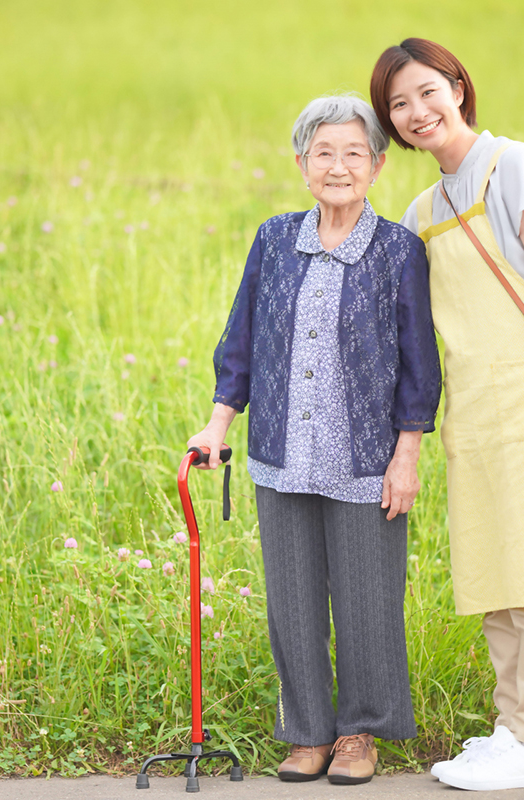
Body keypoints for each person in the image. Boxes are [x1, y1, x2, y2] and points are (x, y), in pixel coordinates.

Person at [369, 38, 524, 792]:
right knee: (497, 572)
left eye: (427, 92)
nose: (417, 113)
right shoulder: (422, 207)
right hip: (474, 408)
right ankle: (511, 727)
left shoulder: (517, 166)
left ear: (458, 86)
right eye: (398, 105)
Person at [187, 94, 441, 785]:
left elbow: (420, 363)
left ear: (378, 165)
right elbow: (240, 340)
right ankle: (307, 733)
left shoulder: (397, 251)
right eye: (323, 153)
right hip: (281, 456)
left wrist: (407, 456)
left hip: (364, 461)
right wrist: (218, 423)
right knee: (292, 604)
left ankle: (359, 735)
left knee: (366, 602)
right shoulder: (274, 239)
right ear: (302, 165)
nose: (338, 166)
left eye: (353, 153)